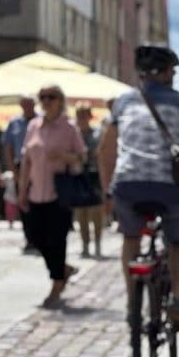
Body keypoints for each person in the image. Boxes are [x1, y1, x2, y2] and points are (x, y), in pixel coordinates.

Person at [98, 44, 179, 332]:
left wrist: (107, 190)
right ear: (167, 74)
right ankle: (176, 299)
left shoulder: (123, 103)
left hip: (127, 185)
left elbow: (105, 151)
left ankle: (132, 304)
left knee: (131, 238)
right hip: (170, 187)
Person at [18, 84, 86, 308]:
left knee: (57, 240)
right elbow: (26, 161)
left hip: (60, 193)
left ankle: (57, 283)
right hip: (36, 191)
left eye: (51, 97)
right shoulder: (33, 126)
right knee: (36, 238)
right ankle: (63, 269)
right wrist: (21, 191)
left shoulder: (69, 128)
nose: (46, 101)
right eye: (43, 97)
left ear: (60, 100)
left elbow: (82, 157)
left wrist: (65, 156)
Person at [2, 96, 38, 252]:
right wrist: (13, 170)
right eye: (25, 104)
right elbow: (8, 147)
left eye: (30, 104)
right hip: (19, 165)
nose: (27, 107)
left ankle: (39, 238)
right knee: (23, 203)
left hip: (38, 167)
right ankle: (29, 238)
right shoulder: (14, 123)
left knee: (39, 203)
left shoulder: (41, 121)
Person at [72, 103, 104, 258]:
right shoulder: (72, 134)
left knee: (96, 213)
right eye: (79, 115)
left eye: (84, 115)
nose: (82, 119)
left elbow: (101, 155)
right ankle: (85, 244)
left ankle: (97, 243)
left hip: (94, 175)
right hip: (78, 176)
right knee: (81, 213)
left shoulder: (97, 134)